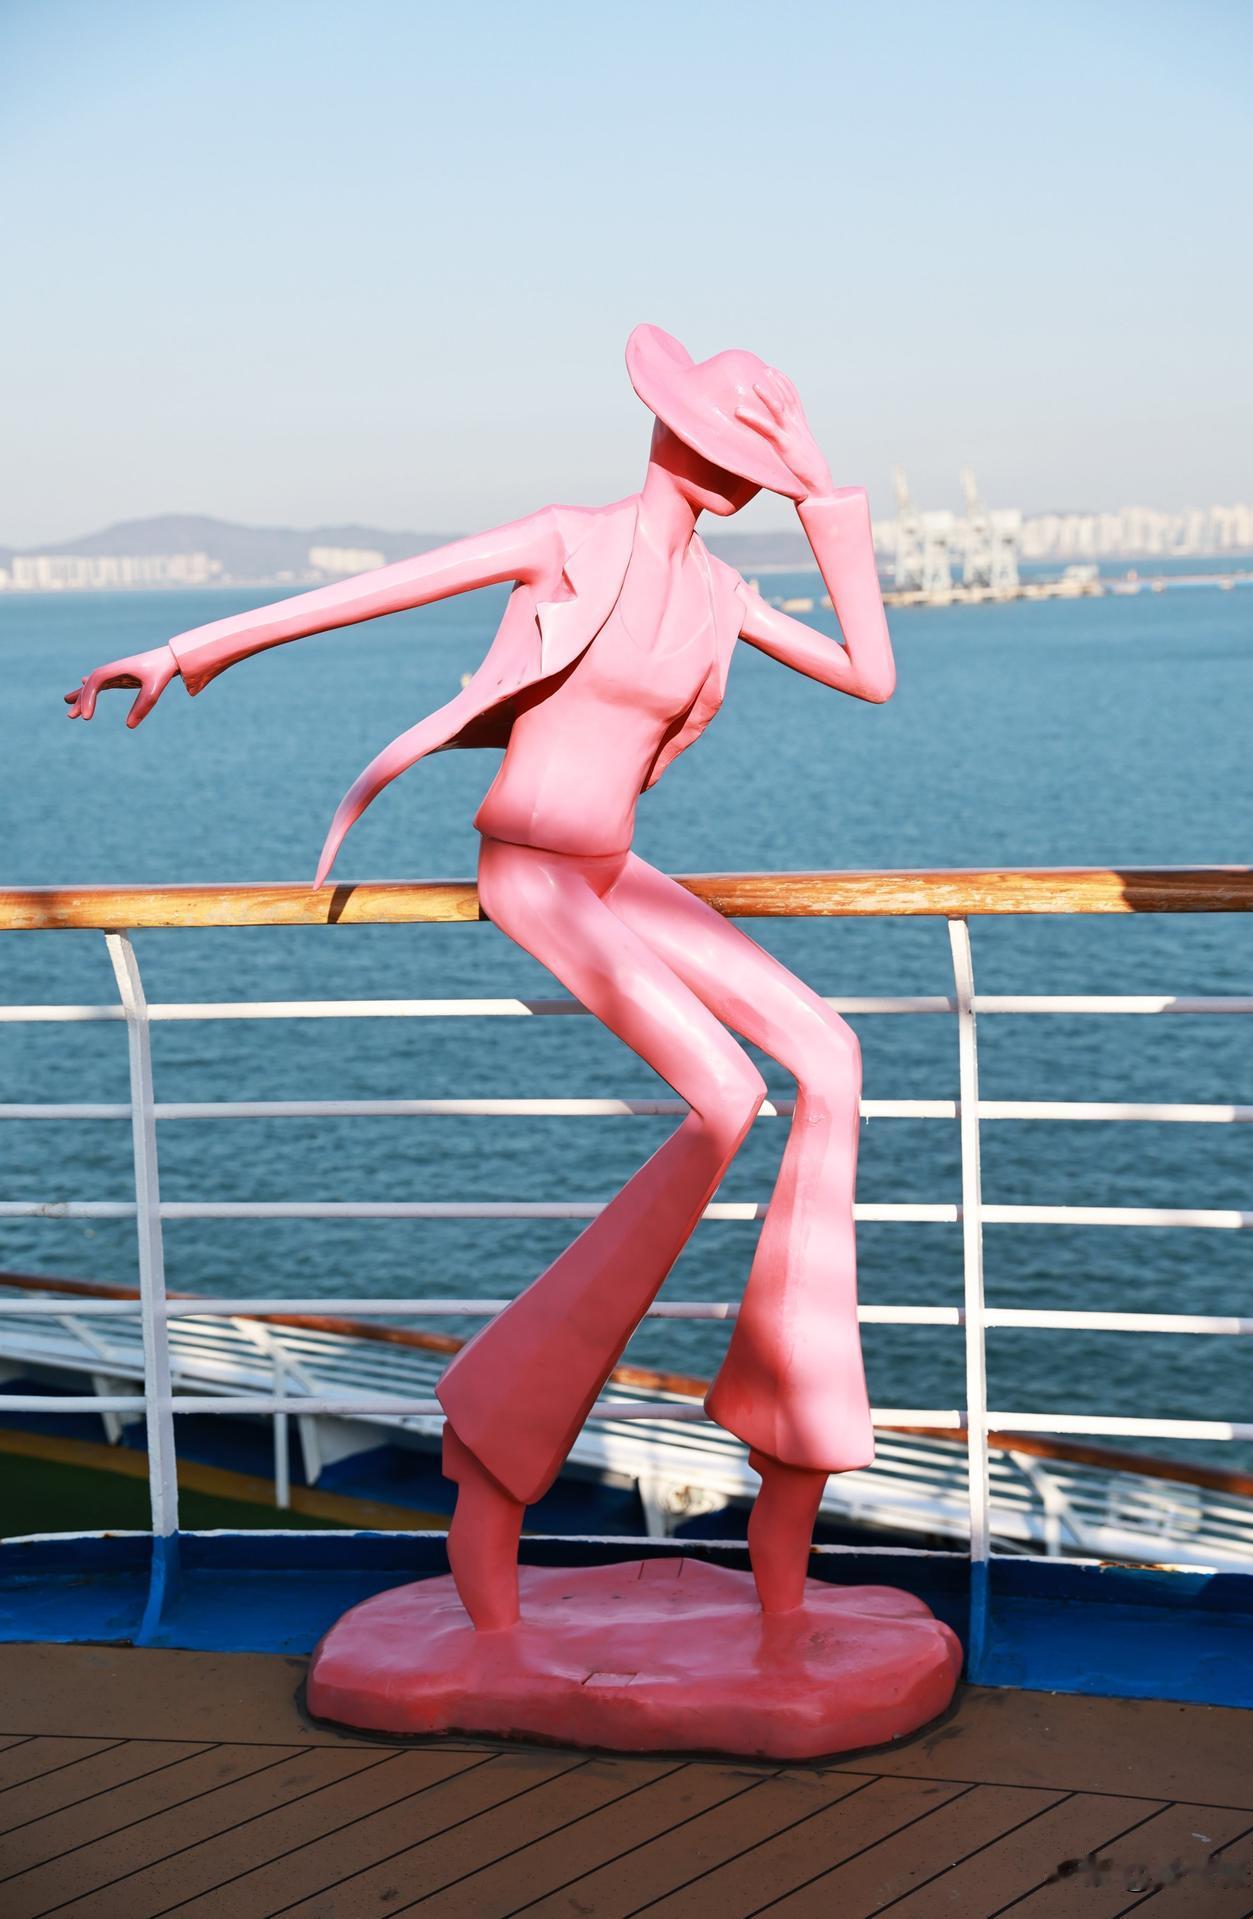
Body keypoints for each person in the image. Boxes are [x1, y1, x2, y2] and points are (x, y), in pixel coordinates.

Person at [68, 325, 897, 1630]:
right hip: (531, 869)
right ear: (666, 429)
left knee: (834, 1061)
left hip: (615, 871)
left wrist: (827, 500)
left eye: (753, 461)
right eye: (725, 447)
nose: (733, 474)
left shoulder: (722, 594)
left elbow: (872, 676)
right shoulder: (567, 538)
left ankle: (789, 1474)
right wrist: (186, 651)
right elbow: (374, 593)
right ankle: (501, 1444)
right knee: (727, 1099)